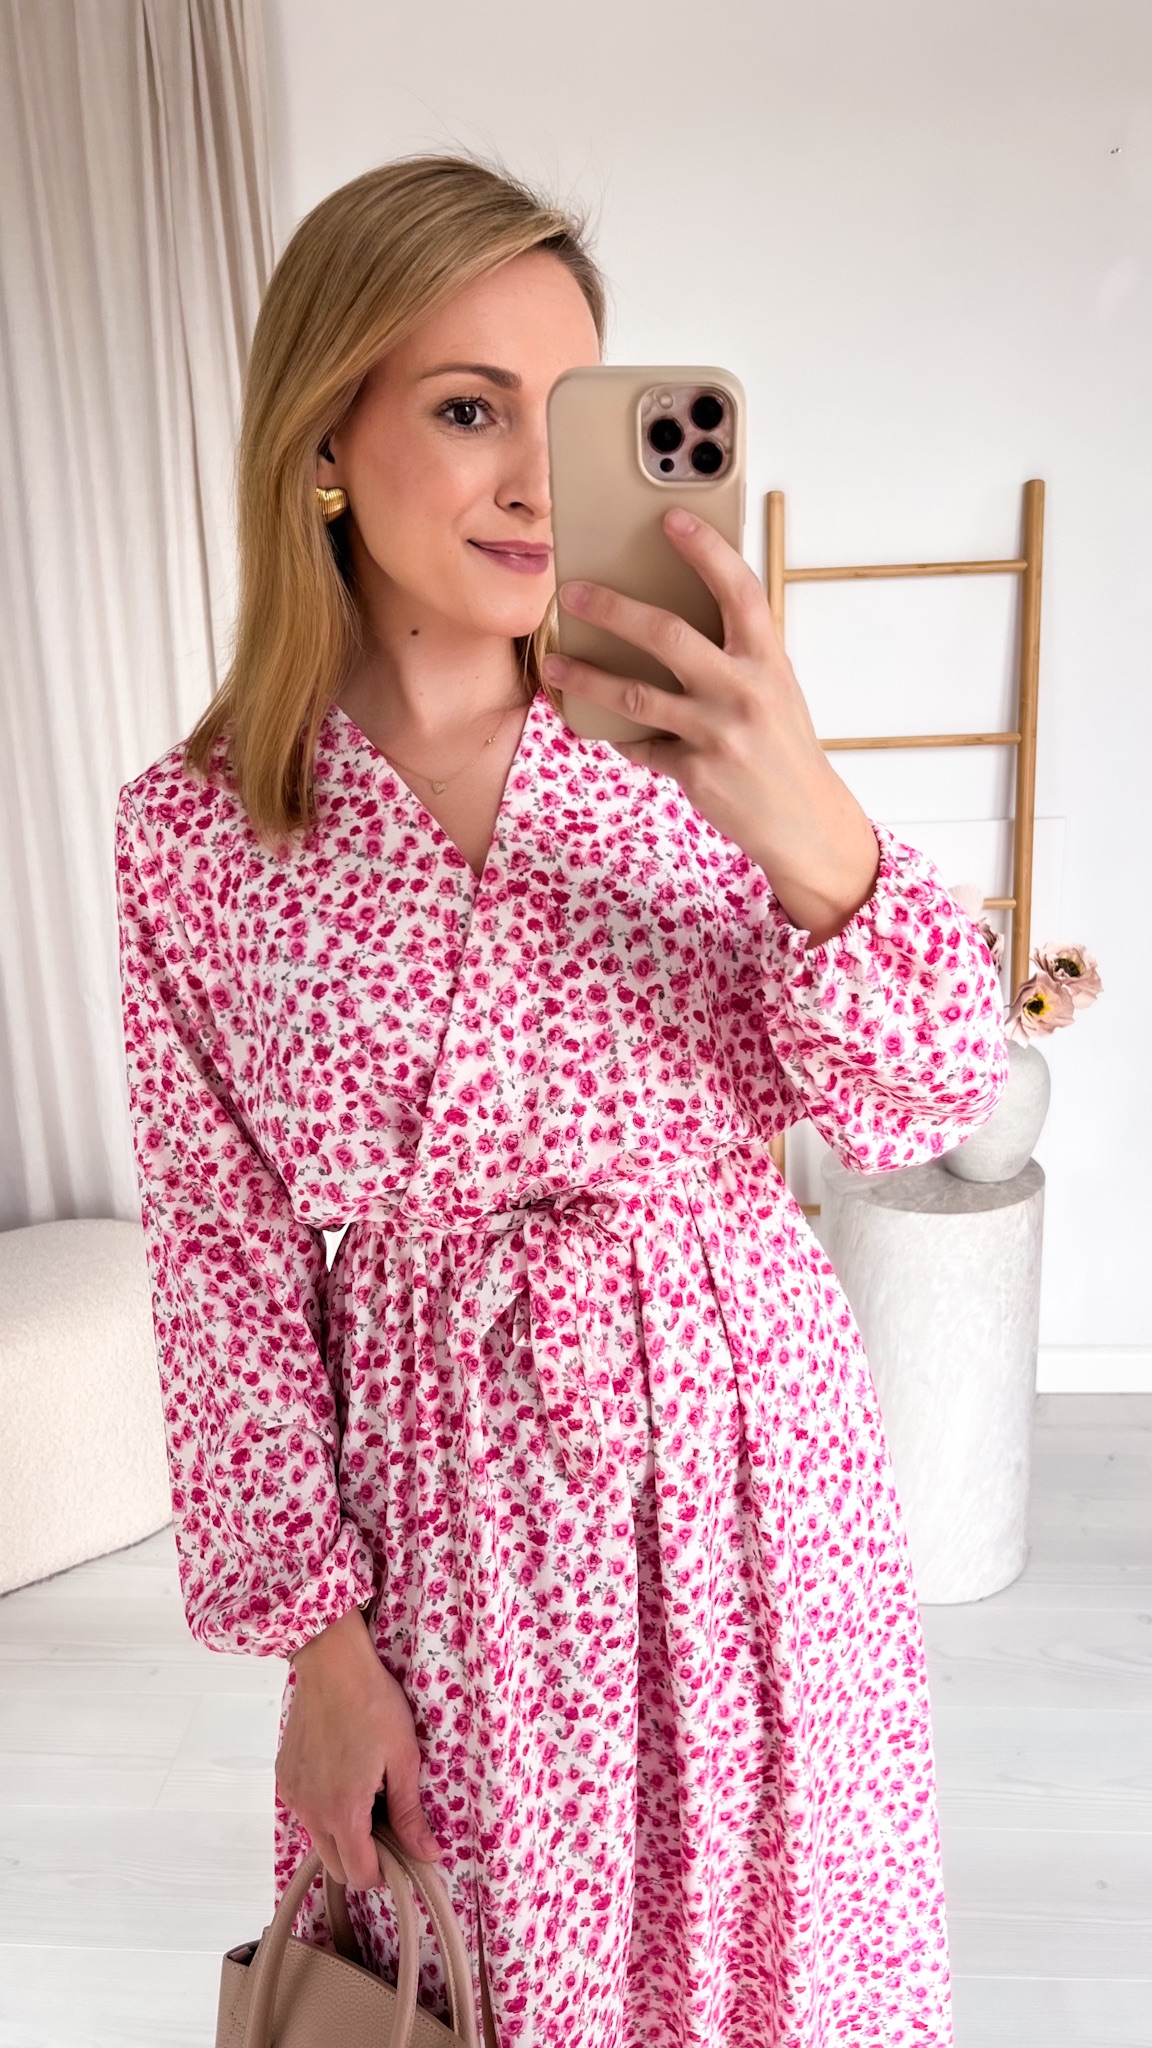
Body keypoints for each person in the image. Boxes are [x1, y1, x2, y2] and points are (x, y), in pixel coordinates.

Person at [114, 153, 1009, 2048]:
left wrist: (804, 815)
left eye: (568, 413)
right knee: (492, 1984)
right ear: (324, 441)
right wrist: (317, 1649)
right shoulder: (195, 836)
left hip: (755, 1480)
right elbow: (222, 1271)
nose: (536, 478)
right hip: (455, 1534)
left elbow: (924, 1094)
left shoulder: (698, 741)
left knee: (781, 1970)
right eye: (468, 410)